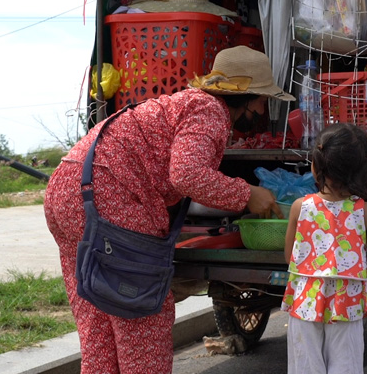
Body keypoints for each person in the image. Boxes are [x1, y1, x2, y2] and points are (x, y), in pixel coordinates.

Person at [43, 46, 294, 374]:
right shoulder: (209, 110)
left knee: (99, 317)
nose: (263, 107)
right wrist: (248, 194)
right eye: (261, 98)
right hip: (109, 195)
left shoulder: (183, 103)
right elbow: (187, 174)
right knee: (142, 315)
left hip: (66, 190)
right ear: (244, 96)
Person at [281, 123, 367, 374]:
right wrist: (352, 273)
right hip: (346, 300)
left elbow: (291, 258)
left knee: (304, 365)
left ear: (315, 167)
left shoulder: (300, 207)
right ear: (362, 171)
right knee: (345, 365)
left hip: (305, 296)